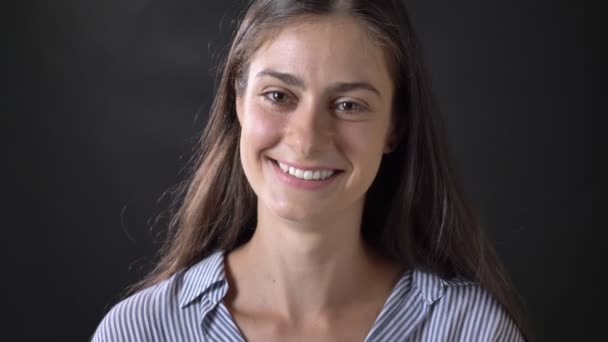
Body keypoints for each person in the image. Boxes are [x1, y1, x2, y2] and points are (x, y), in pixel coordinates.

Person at [92, 0, 532, 341]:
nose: (306, 139)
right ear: (238, 102)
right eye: (279, 95)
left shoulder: (468, 331)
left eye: (348, 105)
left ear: (394, 127)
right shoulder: (141, 331)